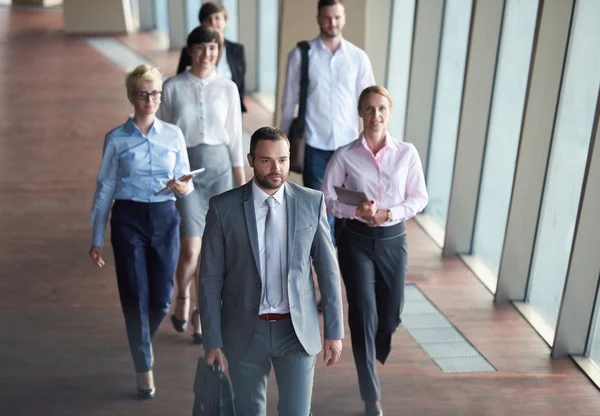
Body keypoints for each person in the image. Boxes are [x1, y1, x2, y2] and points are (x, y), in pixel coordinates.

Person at [199, 127, 344, 415]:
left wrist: (334, 331)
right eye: (266, 160)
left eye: (283, 160)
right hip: (244, 331)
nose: (276, 168)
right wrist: (212, 341)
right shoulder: (222, 208)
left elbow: (328, 271)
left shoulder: (311, 202)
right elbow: (209, 280)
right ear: (251, 160)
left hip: (296, 330)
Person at [321, 86, 428, 416]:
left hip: (394, 240)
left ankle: (381, 338)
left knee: (391, 314)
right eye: (368, 109)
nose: (375, 115)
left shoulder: (406, 153)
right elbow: (327, 198)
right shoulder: (345, 155)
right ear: (360, 113)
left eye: (381, 108)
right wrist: (357, 211)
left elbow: (419, 198)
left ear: (389, 111)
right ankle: (371, 397)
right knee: (363, 314)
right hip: (356, 243)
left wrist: (388, 214)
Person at [89, 64, 194, 399]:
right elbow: (104, 188)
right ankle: (143, 364)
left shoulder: (173, 135)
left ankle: (141, 335)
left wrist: (182, 188)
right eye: (143, 94)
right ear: (132, 97)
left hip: (165, 217)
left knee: (162, 297)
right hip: (128, 218)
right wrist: (95, 237)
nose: (150, 100)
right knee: (134, 294)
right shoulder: (116, 139)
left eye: (155, 94)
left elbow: (187, 183)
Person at [158, 25, 246, 344]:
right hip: (186, 174)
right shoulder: (172, 87)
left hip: (221, 170)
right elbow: (164, 136)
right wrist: (168, 179)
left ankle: (200, 314)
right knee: (191, 250)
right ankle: (182, 295)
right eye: (201, 48)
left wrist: (241, 184)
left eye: (213, 48)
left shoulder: (228, 87)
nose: (207, 54)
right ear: (190, 49)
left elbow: (235, 137)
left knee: (213, 253)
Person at [280, 0, 375, 243]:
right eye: (326, 18)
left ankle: (343, 263)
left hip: (350, 148)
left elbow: (369, 104)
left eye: (336, 17)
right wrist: (282, 145)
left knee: (350, 211)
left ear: (343, 18)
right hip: (314, 145)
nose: (332, 23)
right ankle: (327, 269)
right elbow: (288, 103)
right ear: (318, 19)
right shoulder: (301, 55)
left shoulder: (358, 58)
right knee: (322, 211)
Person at [176, 2, 247, 112]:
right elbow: (180, 82)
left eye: (217, 18)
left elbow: (240, 85)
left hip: (229, 107)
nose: (213, 22)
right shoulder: (189, 51)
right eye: (208, 19)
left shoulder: (237, 50)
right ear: (201, 24)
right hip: (197, 108)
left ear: (225, 22)